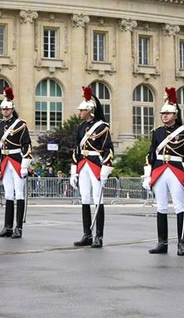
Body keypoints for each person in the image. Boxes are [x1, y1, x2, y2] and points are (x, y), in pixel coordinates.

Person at [143, 88, 184, 256]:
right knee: (161, 207)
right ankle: (162, 243)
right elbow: (151, 154)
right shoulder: (157, 132)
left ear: (175, 115)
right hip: (159, 169)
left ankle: (182, 243)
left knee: (179, 207)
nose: (164, 116)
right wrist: (147, 174)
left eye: (168, 113)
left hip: (175, 169)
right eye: (162, 113)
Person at [70, 86, 114, 248]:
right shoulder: (81, 127)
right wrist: (74, 170)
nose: (79, 112)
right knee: (85, 199)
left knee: (98, 199)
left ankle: (99, 236)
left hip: (96, 164)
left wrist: (105, 169)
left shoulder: (102, 127)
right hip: (83, 164)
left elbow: (108, 149)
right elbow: (76, 149)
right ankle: (87, 234)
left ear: (90, 110)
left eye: (82, 110)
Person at [0, 86, 32, 239]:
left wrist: (24, 165)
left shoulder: (20, 124)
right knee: (8, 193)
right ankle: (7, 226)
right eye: (3, 109)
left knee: (19, 193)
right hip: (5, 161)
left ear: (12, 109)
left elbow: (27, 145)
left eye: (7, 109)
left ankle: (19, 228)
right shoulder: (0, 126)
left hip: (16, 161)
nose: (5, 112)